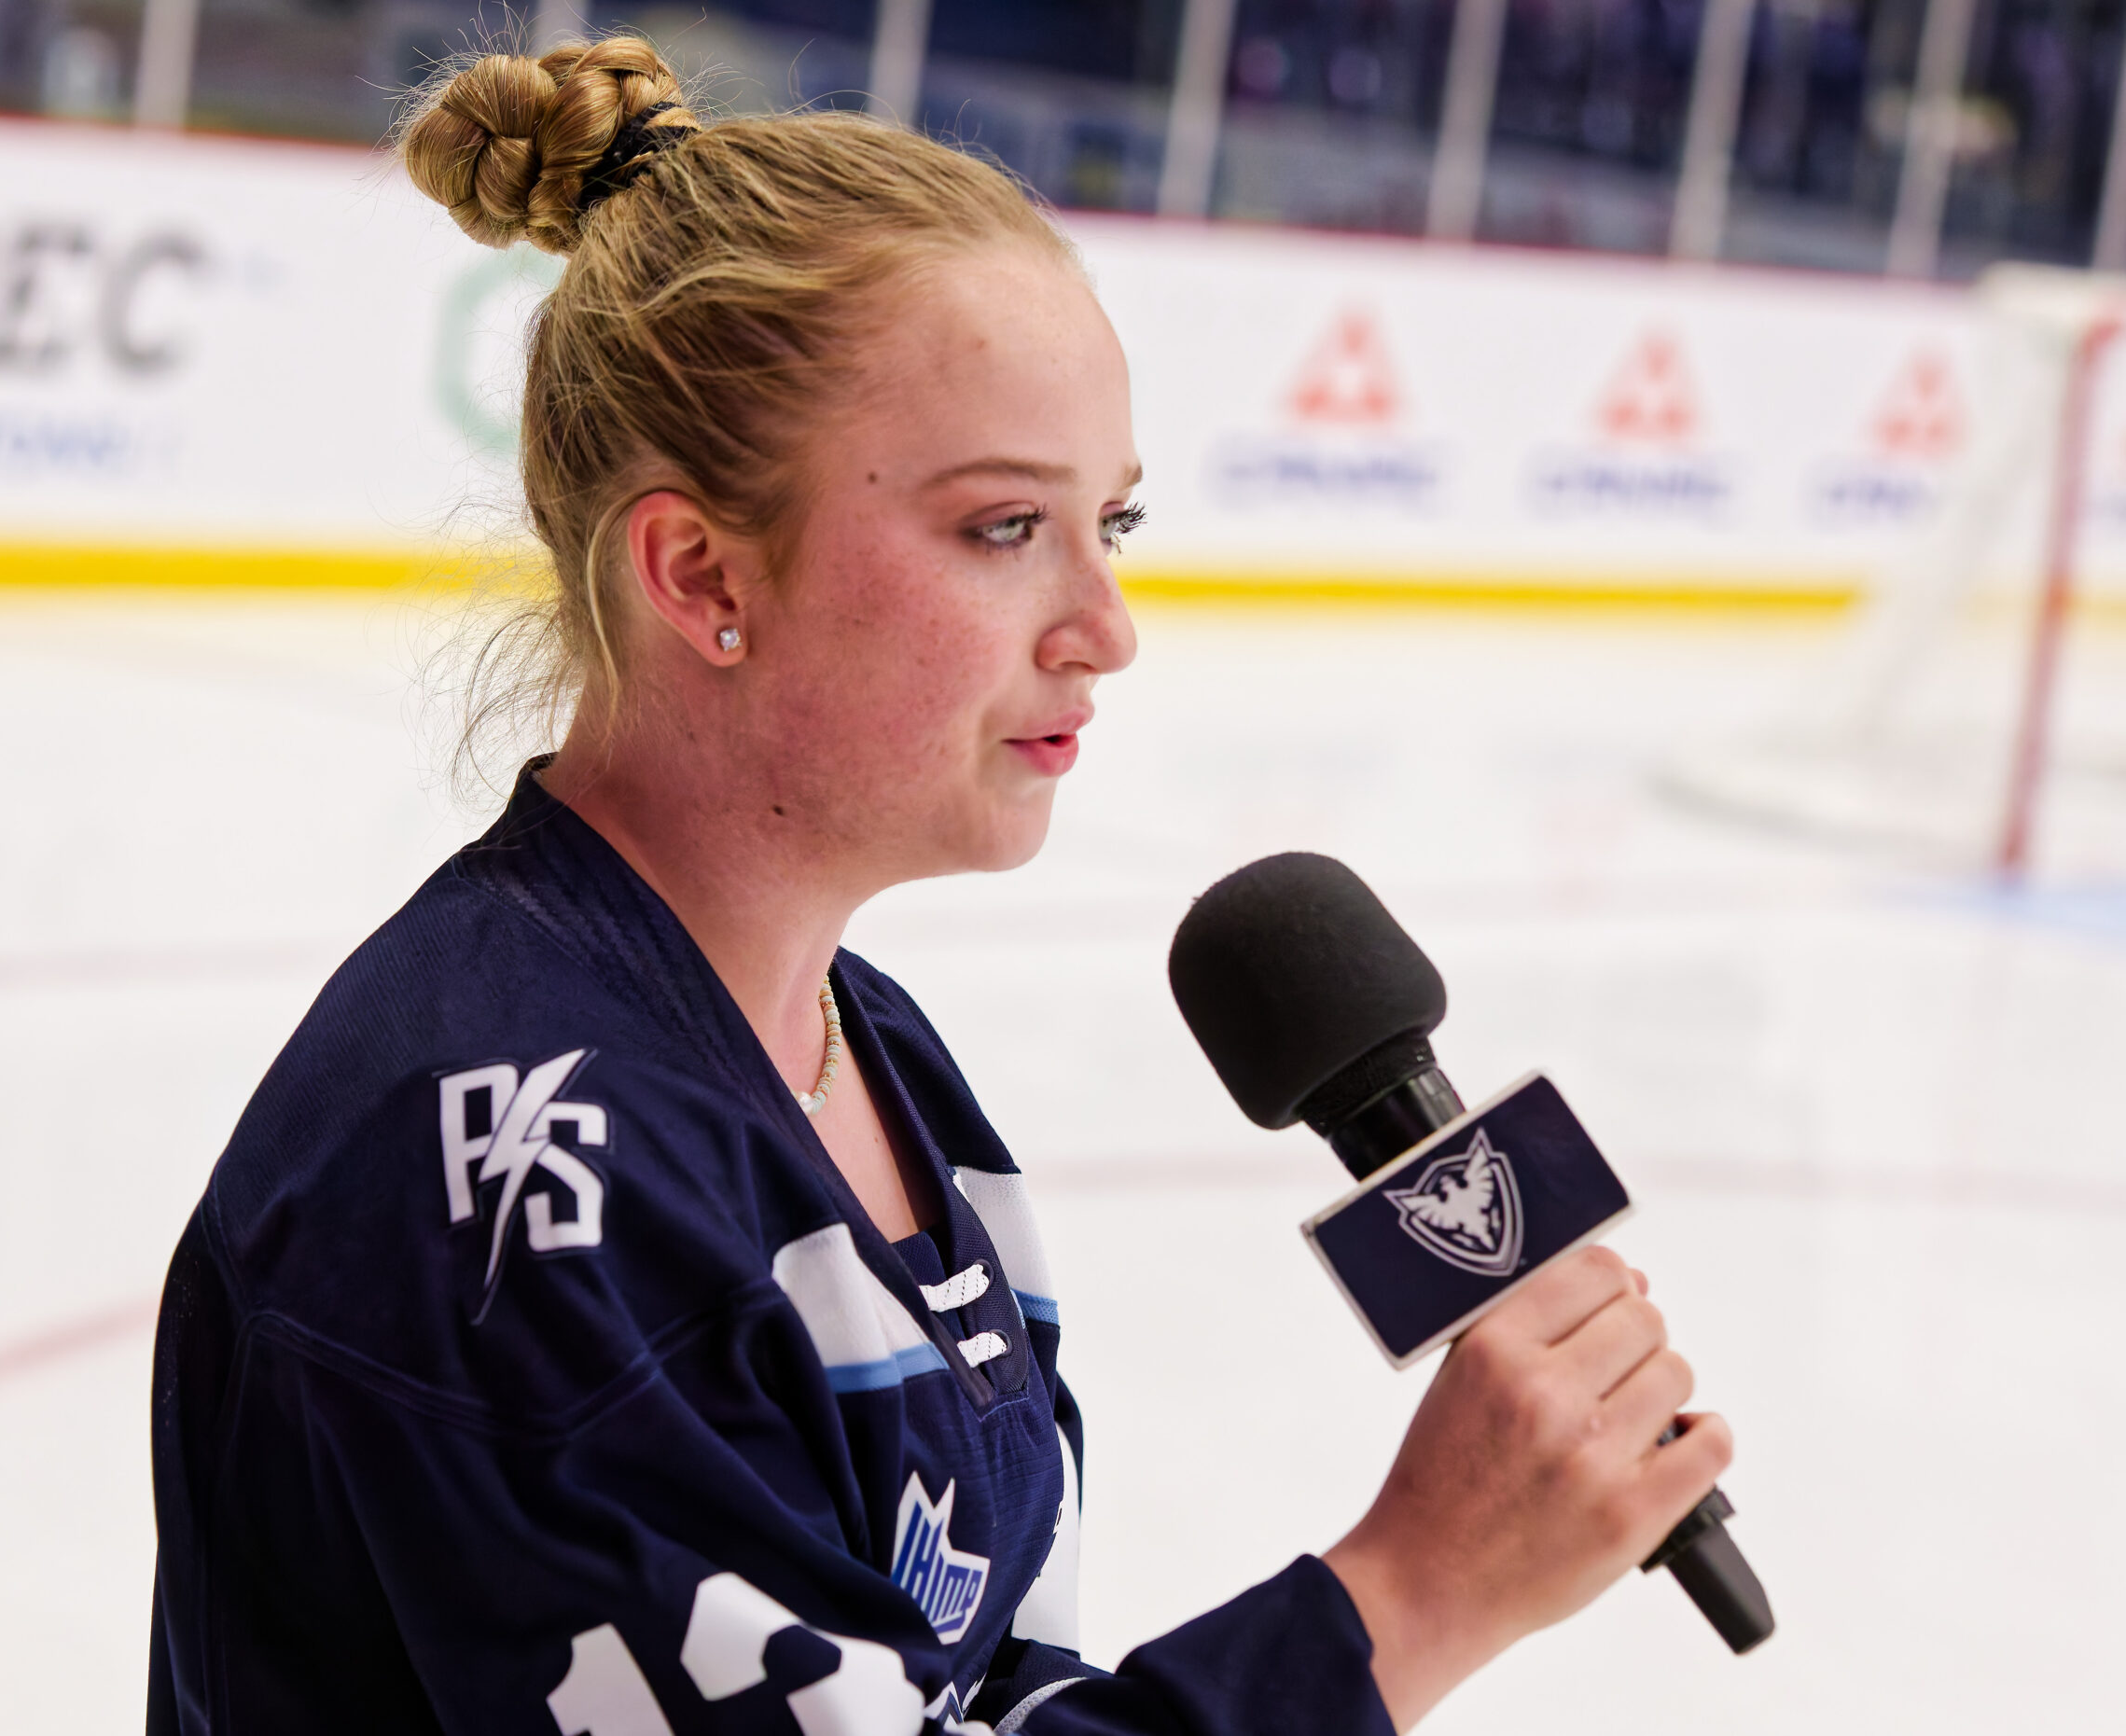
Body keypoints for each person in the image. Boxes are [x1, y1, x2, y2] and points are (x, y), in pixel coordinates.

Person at [146, 35, 1734, 1736]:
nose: (1105, 629)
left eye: (1114, 525)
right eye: (1005, 529)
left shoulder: (875, 1056)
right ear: (703, 574)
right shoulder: (519, 1183)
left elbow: (976, 1685)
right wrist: (1409, 1596)